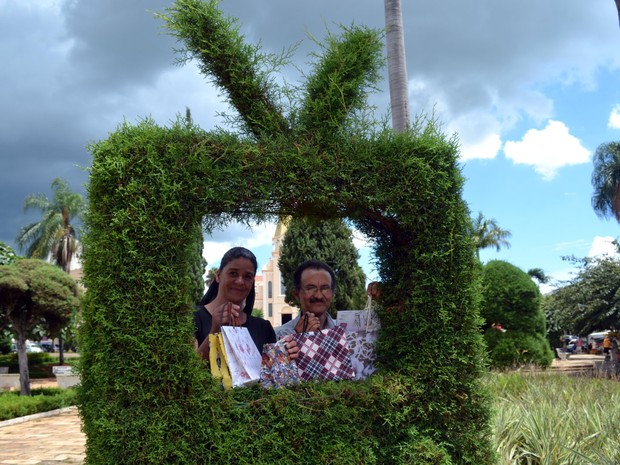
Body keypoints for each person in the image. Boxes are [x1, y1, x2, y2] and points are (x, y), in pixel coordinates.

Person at [194, 246, 298, 360]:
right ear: (218, 276)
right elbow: (188, 370)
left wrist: (286, 356)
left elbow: (269, 374)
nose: (239, 281)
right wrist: (214, 331)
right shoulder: (192, 318)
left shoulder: (263, 328)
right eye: (233, 273)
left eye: (247, 276)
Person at [275, 260, 339, 338]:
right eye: (310, 288)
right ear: (297, 294)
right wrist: (298, 339)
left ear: (332, 293)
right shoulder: (279, 336)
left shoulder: (346, 332)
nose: (318, 296)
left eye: (325, 288)